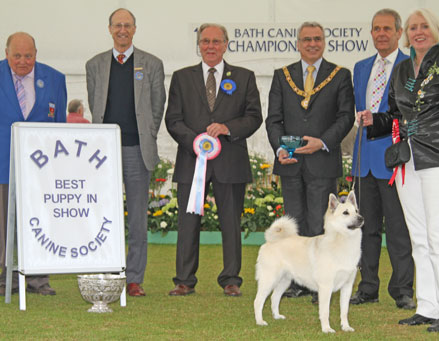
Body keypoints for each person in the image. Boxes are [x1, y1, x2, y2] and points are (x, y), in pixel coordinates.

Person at [359, 8, 439, 333]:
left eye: (424, 26)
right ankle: (427, 305)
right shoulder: (402, 71)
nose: (418, 31)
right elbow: (397, 117)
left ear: (436, 30)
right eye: (413, 27)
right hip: (407, 160)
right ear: (407, 34)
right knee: (420, 237)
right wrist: (376, 121)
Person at [165, 23, 262, 297]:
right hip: (190, 160)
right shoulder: (182, 77)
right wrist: (196, 141)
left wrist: (228, 128)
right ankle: (184, 280)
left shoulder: (244, 77)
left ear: (226, 44)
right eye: (205, 41)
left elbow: (254, 117)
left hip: (230, 161)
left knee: (231, 222)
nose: (210, 46)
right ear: (198, 44)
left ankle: (231, 279)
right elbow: (172, 119)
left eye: (216, 41)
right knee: (187, 223)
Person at [266, 21, 354, 300]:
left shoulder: (340, 75)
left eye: (317, 39)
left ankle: (321, 282)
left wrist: (323, 142)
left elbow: (345, 117)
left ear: (324, 42)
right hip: (290, 163)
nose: (312, 44)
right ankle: (296, 281)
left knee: (321, 224)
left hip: (323, 161)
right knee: (294, 224)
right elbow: (273, 119)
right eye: (306, 39)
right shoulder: (282, 75)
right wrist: (281, 148)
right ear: (298, 43)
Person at [86, 8, 166, 297]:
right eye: (117, 25)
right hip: (102, 154)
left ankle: (133, 279)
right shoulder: (94, 64)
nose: (122, 30)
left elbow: (158, 107)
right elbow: (96, 107)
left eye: (127, 25)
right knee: (102, 215)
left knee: (137, 220)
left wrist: (147, 134)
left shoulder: (152, 64)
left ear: (135, 29)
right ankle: (106, 271)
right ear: (109, 29)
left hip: (136, 151)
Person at [350, 9, 415, 310]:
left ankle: (402, 289)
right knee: (366, 229)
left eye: (387, 29)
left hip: (396, 160)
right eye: (376, 29)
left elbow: (409, 113)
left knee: (399, 230)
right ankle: (368, 287)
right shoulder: (361, 67)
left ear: (399, 32)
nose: (381, 34)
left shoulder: (410, 66)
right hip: (364, 160)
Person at [0, 32, 67, 296]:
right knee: (5, 227)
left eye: (28, 55)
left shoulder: (55, 79)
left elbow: (60, 126)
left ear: (36, 54)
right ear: (7, 54)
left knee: (40, 222)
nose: (23, 61)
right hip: (3, 165)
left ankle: (39, 280)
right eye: (17, 55)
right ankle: (8, 280)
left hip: (42, 169)